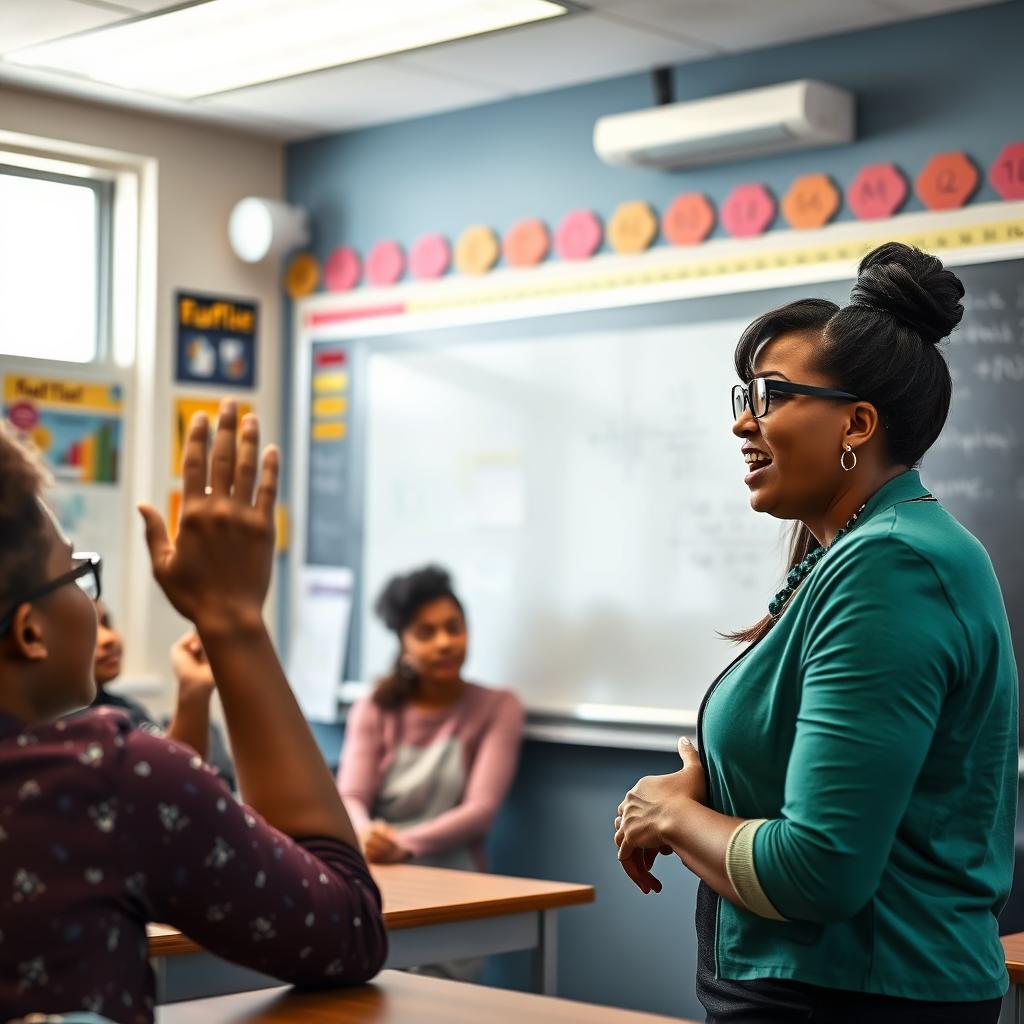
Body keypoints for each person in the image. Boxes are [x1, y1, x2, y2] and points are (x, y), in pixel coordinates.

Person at [613, 243, 1018, 1024]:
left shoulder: (891, 567)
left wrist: (668, 814)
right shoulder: (858, 555)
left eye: (769, 395)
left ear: (857, 423)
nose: (741, 420)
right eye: (744, 393)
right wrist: (706, 780)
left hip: (856, 997)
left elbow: (819, 872)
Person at [0, 403, 387, 1023]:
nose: (87, 595)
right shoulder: (105, 779)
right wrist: (232, 620)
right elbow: (347, 928)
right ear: (30, 633)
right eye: (76, 572)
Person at [338, 566, 524, 875]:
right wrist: (365, 834)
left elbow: (481, 810)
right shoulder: (373, 708)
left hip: (456, 875)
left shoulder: (499, 707)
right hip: (378, 868)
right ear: (403, 644)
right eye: (426, 633)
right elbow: (351, 797)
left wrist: (403, 844)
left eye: (454, 628)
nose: (444, 643)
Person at [88, 602, 236, 790]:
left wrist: (194, 689)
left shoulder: (124, 709)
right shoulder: (74, 729)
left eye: (107, 623)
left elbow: (174, 770)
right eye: (90, 631)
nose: (109, 638)